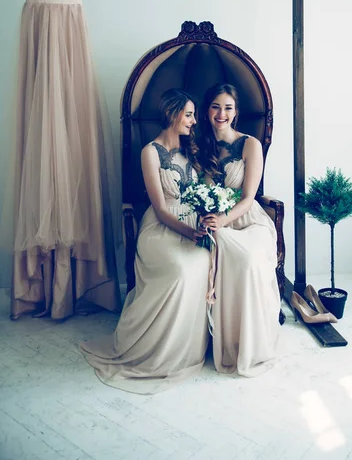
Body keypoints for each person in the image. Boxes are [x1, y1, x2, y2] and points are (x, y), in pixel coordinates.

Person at [80, 89, 210, 394]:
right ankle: (153, 348)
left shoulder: (192, 148)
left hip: (193, 222)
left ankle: (187, 348)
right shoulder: (150, 152)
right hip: (161, 227)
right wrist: (188, 232)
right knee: (179, 269)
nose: (194, 121)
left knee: (202, 261)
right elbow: (161, 209)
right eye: (189, 114)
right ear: (173, 113)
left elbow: (203, 189)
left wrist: (205, 219)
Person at [199, 83, 281, 377]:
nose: (221, 114)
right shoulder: (196, 143)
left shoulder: (250, 144)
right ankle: (218, 338)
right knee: (217, 249)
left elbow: (248, 197)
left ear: (236, 112)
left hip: (246, 219)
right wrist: (210, 218)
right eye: (215, 106)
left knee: (248, 259)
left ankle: (249, 341)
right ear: (206, 109)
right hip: (211, 219)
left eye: (228, 107)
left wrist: (225, 219)